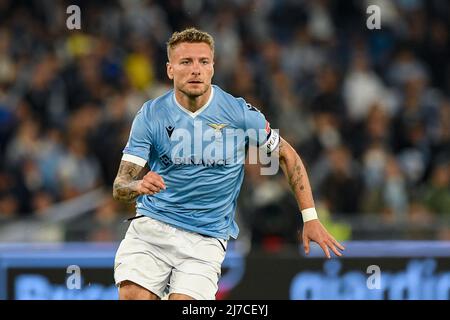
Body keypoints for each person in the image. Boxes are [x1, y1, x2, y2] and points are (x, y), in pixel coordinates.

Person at [112, 27, 345, 300]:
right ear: (170, 69)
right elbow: (120, 186)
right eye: (186, 62)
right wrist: (138, 184)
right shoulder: (151, 115)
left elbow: (286, 155)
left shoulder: (239, 114)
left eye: (203, 62)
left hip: (205, 239)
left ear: (213, 68)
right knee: (133, 296)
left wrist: (311, 218)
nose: (196, 70)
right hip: (152, 228)